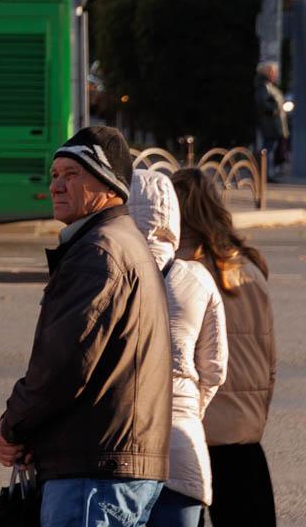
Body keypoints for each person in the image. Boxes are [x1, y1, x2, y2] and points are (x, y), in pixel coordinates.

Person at [0, 126, 171, 527]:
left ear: (108, 184)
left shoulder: (98, 251)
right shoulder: (118, 241)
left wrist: (14, 425)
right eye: (54, 174)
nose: (57, 185)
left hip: (94, 469)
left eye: (72, 175)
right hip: (113, 463)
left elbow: (65, 362)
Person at [171, 167, 278, 527]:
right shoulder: (248, 267)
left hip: (191, 433)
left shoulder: (177, 274)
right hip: (244, 439)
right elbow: (269, 360)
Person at [126, 169, 225, 527]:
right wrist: (187, 408)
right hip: (183, 448)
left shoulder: (107, 270)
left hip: (123, 451)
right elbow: (215, 369)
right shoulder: (198, 279)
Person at [253, 62, 289, 178]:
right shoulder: (263, 86)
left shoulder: (269, 85)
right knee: (268, 150)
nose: (276, 74)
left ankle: (267, 174)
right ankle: (265, 175)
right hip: (270, 124)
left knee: (270, 149)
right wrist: (275, 110)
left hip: (275, 124)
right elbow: (262, 103)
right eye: (273, 72)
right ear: (267, 72)